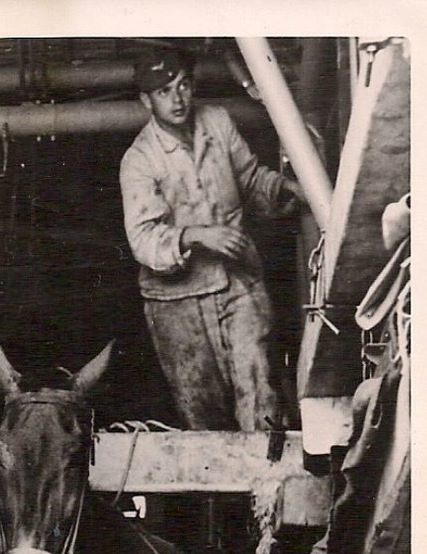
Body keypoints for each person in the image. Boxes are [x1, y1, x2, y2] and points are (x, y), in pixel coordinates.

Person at [120, 45, 307, 431]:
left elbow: (252, 180)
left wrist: (295, 188)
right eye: (164, 91)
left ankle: (268, 485)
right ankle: (220, 495)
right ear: (146, 101)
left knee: (261, 394)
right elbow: (143, 239)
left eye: (184, 85)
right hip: (177, 304)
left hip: (238, 283)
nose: (177, 98)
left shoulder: (217, 123)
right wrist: (196, 235)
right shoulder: (139, 160)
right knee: (204, 416)